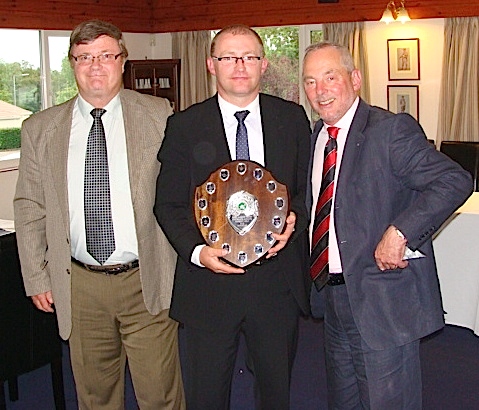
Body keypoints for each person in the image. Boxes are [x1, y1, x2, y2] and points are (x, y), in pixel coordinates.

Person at [14, 19, 185, 409]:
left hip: (146, 279)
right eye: (84, 57)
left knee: (161, 395)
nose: (95, 65)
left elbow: (180, 191)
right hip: (80, 286)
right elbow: (29, 206)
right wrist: (36, 276)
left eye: (106, 55)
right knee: (95, 398)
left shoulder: (160, 115)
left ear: (122, 61)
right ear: (71, 64)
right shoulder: (40, 129)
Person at [302, 42, 473, 409]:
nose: (320, 90)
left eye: (330, 77)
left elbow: (454, 180)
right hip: (332, 298)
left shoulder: (389, 130)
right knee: (344, 402)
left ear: (356, 79)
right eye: (311, 81)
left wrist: (401, 232)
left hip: (382, 302)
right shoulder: (317, 137)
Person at [154, 24, 311, 409]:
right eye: (228, 57)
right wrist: (197, 252)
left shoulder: (292, 120)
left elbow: (307, 192)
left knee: (276, 393)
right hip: (209, 286)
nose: (240, 66)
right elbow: (168, 204)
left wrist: (293, 222)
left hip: (276, 285)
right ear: (211, 64)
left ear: (264, 64)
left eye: (250, 57)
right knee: (207, 395)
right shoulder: (184, 126)